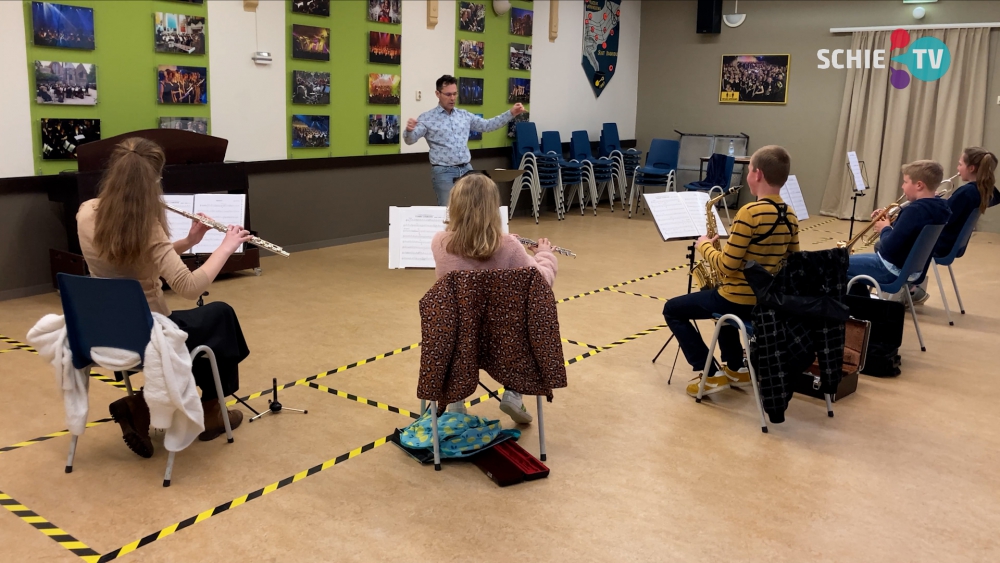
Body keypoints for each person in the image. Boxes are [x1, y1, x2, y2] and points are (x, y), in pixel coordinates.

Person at [76, 137, 253, 458]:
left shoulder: (86, 213)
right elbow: (189, 285)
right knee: (220, 316)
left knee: (205, 328)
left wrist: (188, 240)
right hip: (150, 333)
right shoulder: (147, 227)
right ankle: (205, 409)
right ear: (153, 181)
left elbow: (136, 260)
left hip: (104, 329)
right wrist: (226, 246)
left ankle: (145, 405)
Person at [663, 145, 800, 397]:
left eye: (749, 170)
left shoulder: (749, 213)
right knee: (717, 294)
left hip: (737, 300)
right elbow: (792, 261)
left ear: (757, 175)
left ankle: (709, 373)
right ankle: (736, 366)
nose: (748, 175)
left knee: (672, 309)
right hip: (766, 303)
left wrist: (705, 246)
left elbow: (727, 265)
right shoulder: (789, 214)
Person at [430, 174, 558, 423]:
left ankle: (455, 402)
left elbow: (467, 245)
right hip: (504, 342)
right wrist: (544, 254)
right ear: (491, 209)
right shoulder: (509, 246)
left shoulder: (439, 242)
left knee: (459, 329)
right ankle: (513, 394)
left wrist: (509, 242)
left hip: (458, 338)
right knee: (521, 325)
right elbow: (542, 281)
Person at [403, 75, 525, 206]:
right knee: (447, 210)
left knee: (471, 208)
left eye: (455, 94)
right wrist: (409, 130)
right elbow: (410, 140)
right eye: (448, 94)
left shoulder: (464, 115)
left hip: (466, 169)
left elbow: (487, 125)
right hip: (444, 172)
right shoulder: (427, 117)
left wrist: (511, 113)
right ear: (437, 94)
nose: (452, 98)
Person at [846, 160, 951, 299]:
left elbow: (888, 247)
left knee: (835, 264)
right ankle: (864, 306)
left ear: (919, 185)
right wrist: (890, 218)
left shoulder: (914, 211)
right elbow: (907, 234)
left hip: (890, 270)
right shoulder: (941, 208)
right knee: (844, 261)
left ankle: (858, 309)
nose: (902, 186)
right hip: (911, 271)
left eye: (905, 182)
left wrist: (885, 228)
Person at [910, 148, 998, 304]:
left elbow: (943, 218)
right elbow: (953, 209)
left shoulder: (966, 192)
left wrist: (928, 200)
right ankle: (911, 286)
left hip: (941, 243)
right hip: (952, 242)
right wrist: (939, 201)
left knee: (894, 242)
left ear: (971, 168)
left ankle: (910, 289)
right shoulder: (982, 190)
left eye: (960, 164)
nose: (958, 169)